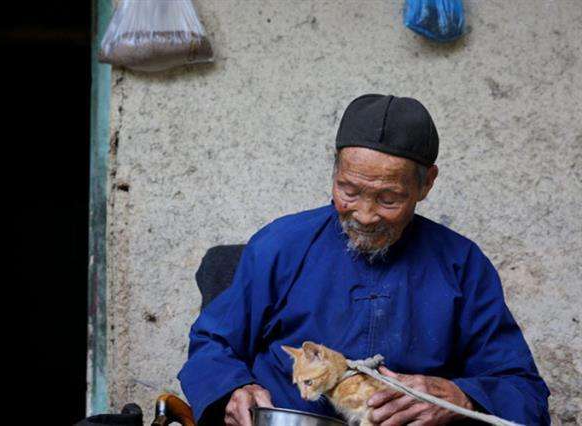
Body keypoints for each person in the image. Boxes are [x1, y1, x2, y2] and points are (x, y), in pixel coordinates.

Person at [177, 94, 551, 425]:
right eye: (349, 190)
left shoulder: (461, 265)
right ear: (335, 169)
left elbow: (522, 391)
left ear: (427, 184)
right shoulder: (280, 245)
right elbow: (213, 343)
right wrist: (234, 389)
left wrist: (461, 396)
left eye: (389, 199)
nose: (365, 214)